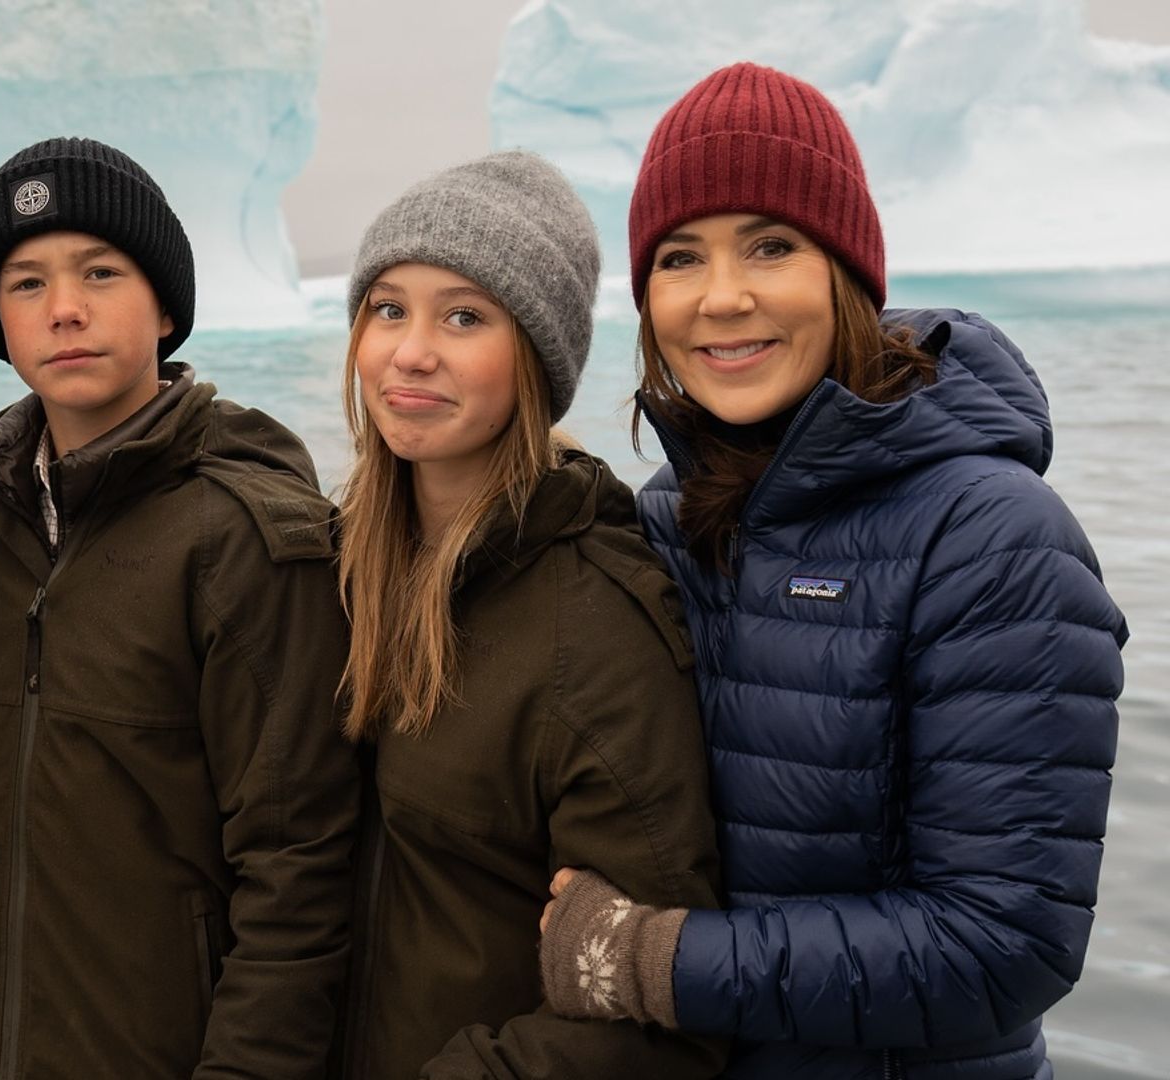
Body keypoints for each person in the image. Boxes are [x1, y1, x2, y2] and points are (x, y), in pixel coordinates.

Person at [537, 62, 1129, 1080]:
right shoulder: (671, 519)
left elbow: (1004, 945)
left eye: (771, 246)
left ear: (845, 273)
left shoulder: (993, 541)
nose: (723, 298)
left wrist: (644, 957)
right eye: (680, 259)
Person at [0, 136, 358, 1079]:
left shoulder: (244, 535)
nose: (66, 309)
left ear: (165, 306)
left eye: (100, 272)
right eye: (27, 283)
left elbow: (299, 866)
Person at [328, 151, 726, 1080]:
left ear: (537, 359)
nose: (411, 350)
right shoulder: (340, 566)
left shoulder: (595, 630)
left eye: (464, 315)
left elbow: (661, 1024)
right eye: (389, 308)